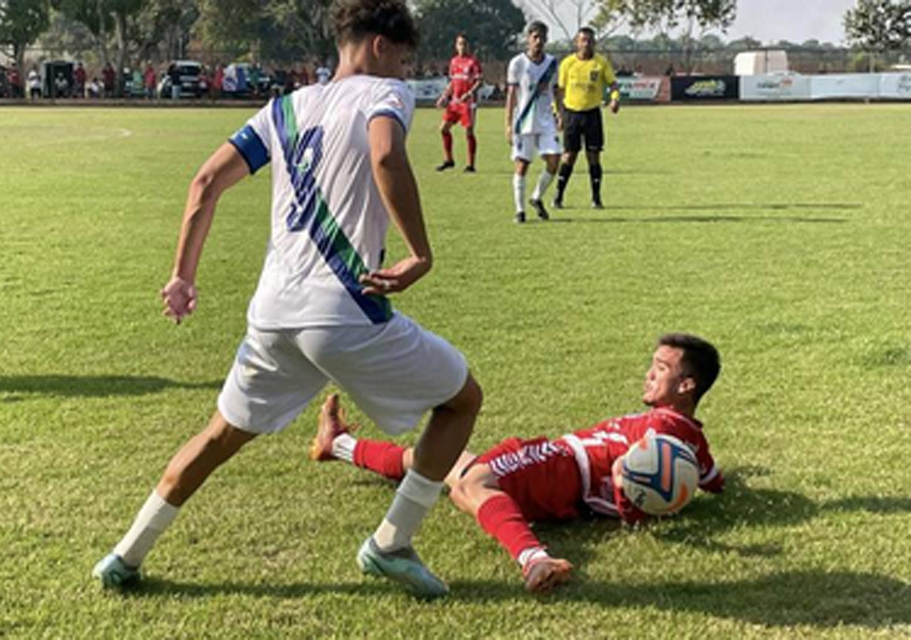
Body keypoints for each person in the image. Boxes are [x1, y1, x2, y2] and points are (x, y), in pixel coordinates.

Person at [92, 0, 482, 600]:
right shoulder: (385, 95)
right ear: (380, 46)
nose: (405, 74)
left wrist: (181, 276)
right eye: (403, 60)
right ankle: (390, 542)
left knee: (220, 435)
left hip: (272, 314)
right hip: (344, 312)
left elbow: (205, 183)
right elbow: (384, 152)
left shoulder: (284, 108)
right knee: (461, 401)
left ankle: (125, 555)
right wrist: (420, 252)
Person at [312, 333, 724, 593]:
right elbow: (711, 479)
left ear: (686, 385)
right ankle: (339, 444)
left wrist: (632, 489)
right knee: (440, 462)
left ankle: (534, 559)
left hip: (564, 466)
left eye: (661, 369)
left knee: (471, 483)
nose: (648, 374)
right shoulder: (688, 436)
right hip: (568, 485)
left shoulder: (662, 428)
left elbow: (638, 481)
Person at [553, 27, 620, 211]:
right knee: (569, 156)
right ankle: (558, 196)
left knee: (594, 156)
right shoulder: (568, 63)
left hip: (592, 114)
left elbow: (613, 84)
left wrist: (614, 99)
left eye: (590, 40)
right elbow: (559, 91)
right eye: (583, 40)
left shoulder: (601, 63)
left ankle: (596, 199)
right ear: (577, 42)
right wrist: (557, 114)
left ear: (594, 42)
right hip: (571, 114)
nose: (586, 44)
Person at [505, 21, 563, 224]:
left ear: (546, 39)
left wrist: (560, 113)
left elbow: (556, 90)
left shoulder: (552, 63)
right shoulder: (517, 63)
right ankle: (520, 211)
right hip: (524, 121)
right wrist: (508, 124)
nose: (538, 41)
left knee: (555, 160)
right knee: (522, 165)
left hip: (546, 120)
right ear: (528, 38)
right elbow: (511, 94)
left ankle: (536, 197)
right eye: (534, 37)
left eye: (542, 37)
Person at [435, 33, 482, 173]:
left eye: (464, 44)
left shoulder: (473, 62)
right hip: (454, 102)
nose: (462, 46)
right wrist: (444, 96)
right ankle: (449, 160)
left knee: (468, 132)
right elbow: (453, 82)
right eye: (460, 44)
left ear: (468, 46)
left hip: (468, 103)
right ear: (456, 46)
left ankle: (471, 165)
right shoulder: (454, 62)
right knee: (443, 129)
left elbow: (479, 81)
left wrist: (470, 93)